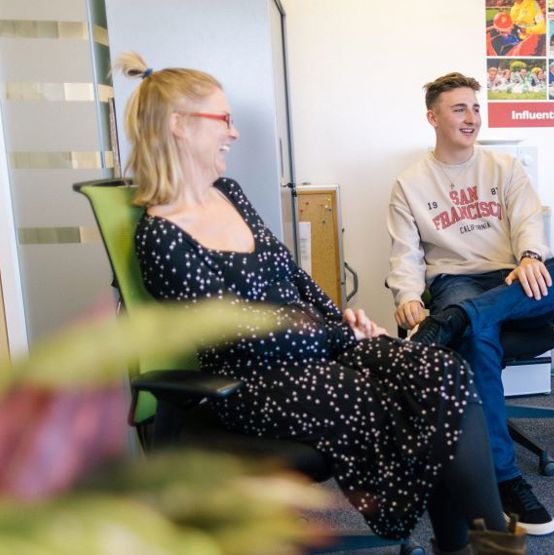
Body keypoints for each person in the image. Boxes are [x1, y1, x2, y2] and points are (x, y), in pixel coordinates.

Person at [118, 53, 519, 554]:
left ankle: (470, 544)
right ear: (179, 126)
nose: (234, 133)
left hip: (317, 347)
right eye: (223, 120)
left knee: (440, 370)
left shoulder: (229, 192)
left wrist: (341, 318)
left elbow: (291, 275)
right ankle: (468, 542)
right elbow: (238, 331)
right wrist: (337, 335)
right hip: (255, 379)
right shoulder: (162, 236)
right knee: (387, 399)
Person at [387, 72, 554, 537]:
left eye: (475, 108)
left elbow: (527, 222)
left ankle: (457, 321)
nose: (471, 117)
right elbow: (406, 253)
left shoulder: (504, 168)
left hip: (511, 279)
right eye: (459, 108)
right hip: (454, 281)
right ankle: (505, 478)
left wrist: (531, 257)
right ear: (432, 117)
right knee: (479, 340)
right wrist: (409, 297)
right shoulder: (409, 183)